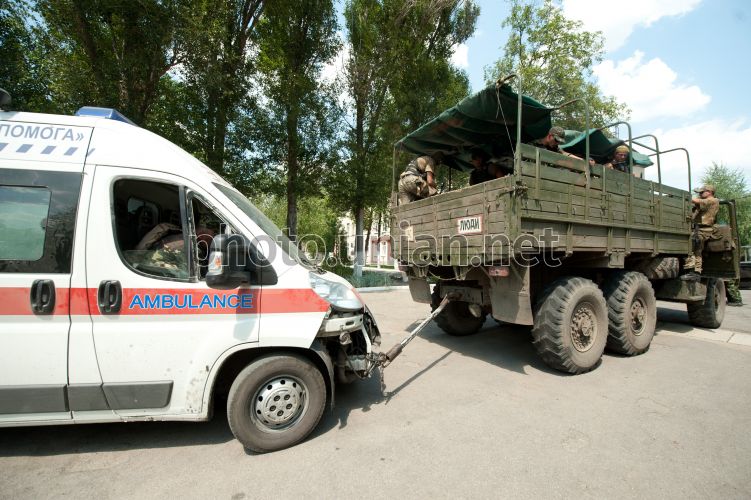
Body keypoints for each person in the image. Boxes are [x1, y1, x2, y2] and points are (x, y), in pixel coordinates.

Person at [683, 184, 722, 277]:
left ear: (709, 192)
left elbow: (695, 200)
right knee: (696, 249)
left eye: (701, 192)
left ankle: (694, 271)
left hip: (704, 229)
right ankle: (695, 271)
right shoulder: (705, 203)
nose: (700, 194)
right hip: (699, 228)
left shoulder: (713, 200)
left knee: (693, 246)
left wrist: (684, 196)